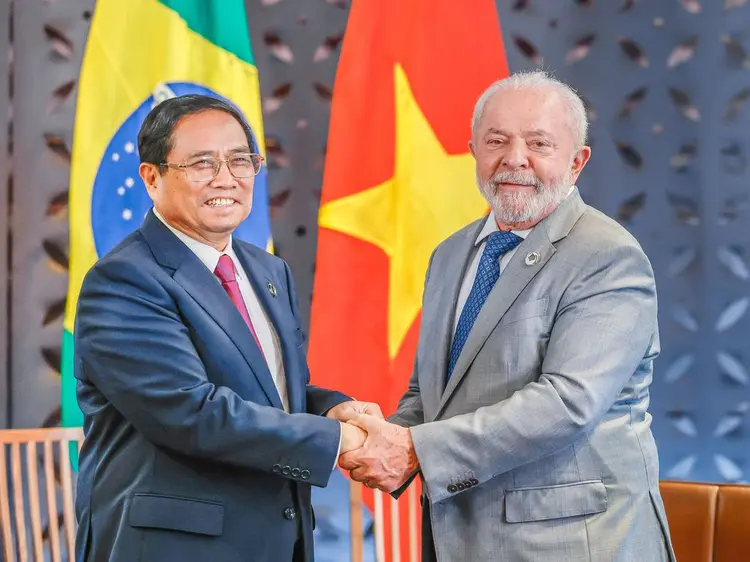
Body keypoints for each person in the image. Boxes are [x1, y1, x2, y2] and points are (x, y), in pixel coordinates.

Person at [339, 71, 676, 562]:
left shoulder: (606, 256)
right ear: (474, 149)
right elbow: (432, 392)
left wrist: (415, 449)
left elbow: (567, 404)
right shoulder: (451, 254)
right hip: (460, 533)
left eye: (539, 142)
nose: (515, 158)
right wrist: (383, 434)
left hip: (571, 543)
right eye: (497, 140)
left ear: (577, 161)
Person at [74, 94, 377, 562]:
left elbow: (268, 390)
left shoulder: (268, 271)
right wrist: (336, 442)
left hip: (277, 538)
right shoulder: (123, 280)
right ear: (151, 178)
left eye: (241, 161)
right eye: (201, 164)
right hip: (174, 547)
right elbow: (191, 412)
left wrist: (333, 410)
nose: (226, 179)